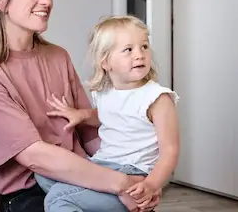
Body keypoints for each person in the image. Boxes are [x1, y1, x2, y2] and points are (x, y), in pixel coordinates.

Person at [0, 0, 162, 212]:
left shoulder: (58, 56)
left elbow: (89, 133)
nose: (46, 0)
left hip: (86, 179)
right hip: (28, 194)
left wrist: (138, 179)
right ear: (2, 2)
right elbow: (34, 156)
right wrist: (121, 184)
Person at [34, 15, 180, 212]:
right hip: (103, 164)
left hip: (133, 171)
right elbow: (107, 115)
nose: (139, 55)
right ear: (105, 62)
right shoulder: (106, 93)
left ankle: (127, 198)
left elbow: (170, 150)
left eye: (144, 46)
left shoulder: (157, 98)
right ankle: (117, 200)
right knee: (43, 171)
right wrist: (82, 115)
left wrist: (151, 186)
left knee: (57, 199)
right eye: (128, 49)